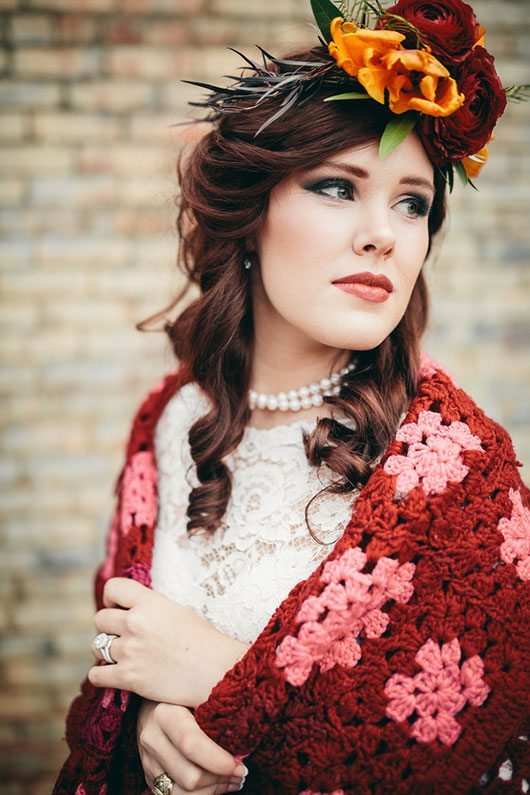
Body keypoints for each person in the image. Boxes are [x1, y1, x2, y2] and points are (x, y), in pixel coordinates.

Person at [53, 1, 530, 793]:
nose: (383, 232)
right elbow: (122, 654)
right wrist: (144, 721)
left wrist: (223, 683)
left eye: (412, 201)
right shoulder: (167, 423)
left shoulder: (459, 473)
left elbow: (486, 760)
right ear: (254, 212)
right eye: (338, 187)